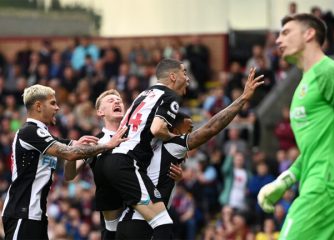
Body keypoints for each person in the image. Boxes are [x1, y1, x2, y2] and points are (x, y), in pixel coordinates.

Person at [257, 14, 334, 239]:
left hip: (326, 188)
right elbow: (316, 146)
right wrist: (285, 180)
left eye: (286, 32)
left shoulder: (330, 71)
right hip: (327, 188)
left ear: (309, 33)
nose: (278, 40)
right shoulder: (304, 82)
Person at [116, 67, 264, 239]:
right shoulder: (172, 145)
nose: (191, 132)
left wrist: (178, 179)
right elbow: (211, 128)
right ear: (173, 127)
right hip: (143, 225)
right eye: (189, 128)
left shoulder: (145, 147)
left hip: (129, 220)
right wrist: (243, 98)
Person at [1, 84, 127, 240]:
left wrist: (79, 143)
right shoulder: (30, 132)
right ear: (39, 106)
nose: (58, 108)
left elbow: (71, 145)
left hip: (36, 215)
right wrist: (107, 145)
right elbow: (69, 153)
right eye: (53, 103)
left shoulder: (44, 135)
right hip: (22, 212)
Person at [101, 58, 190, 239]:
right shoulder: (170, 97)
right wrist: (177, 138)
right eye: (184, 73)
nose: (187, 78)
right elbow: (157, 129)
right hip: (126, 162)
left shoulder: (143, 94)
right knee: (162, 222)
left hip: (111, 160)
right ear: (173, 76)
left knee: (112, 226)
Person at [64, 89, 126, 239]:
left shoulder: (137, 136)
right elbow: (69, 175)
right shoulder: (94, 142)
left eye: (119, 100)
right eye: (110, 101)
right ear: (100, 112)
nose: (117, 102)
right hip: (112, 215)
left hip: (139, 209)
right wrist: (71, 154)